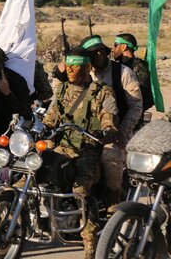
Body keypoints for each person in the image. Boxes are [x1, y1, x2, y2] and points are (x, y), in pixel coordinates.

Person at [43, 46, 118, 259]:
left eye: (76, 67)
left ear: (87, 67)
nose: (70, 71)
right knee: (27, 172)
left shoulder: (102, 91)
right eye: (69, 66)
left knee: (81, 191)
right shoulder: (62, 90)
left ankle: (90, 248)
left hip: (88, 150)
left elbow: (109, 122)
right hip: (62, 147)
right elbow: (51, 119)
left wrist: (105, 132)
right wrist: (40, 130)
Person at [82, 35, 142, 207]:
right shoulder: (83, 74)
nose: (98, 56)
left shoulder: (123, 73)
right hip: (87, 131)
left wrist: (122, 133)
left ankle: (112, 203)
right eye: (93, 53)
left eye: (101, 51)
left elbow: (136, 106)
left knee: (110, 157)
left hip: (115, 131)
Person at [113, 33, 154, 117]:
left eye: (116, 45)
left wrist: (131, 113)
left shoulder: (138, 67)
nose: (113, 49)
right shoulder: (118, 66)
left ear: (124, 47)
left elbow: (146, 98)